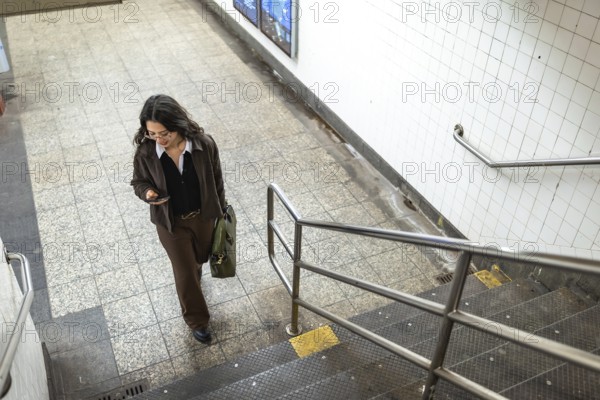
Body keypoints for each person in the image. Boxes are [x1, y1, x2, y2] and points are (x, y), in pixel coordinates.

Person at [131, 94, 226, 343]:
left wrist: (221, 211)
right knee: (184, 272)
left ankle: (195, 271)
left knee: (198, 260)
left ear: (177, 125)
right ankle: (197, 320)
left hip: (203, 218)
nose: (159, 139)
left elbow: (216, 180)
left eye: (164, 133)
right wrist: (148, 192)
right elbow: (138, 181)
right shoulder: (146, 152)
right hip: (170, 223)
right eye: (152, 134)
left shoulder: (204, 145)